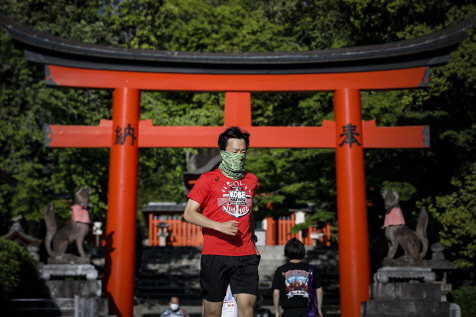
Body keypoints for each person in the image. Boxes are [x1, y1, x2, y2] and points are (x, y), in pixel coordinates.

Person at [184, 126, 260, 317]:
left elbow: (248, 211)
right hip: (215, 253)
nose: (239, 155)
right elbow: (189, 213)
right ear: (224, 152)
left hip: (245, 253)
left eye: (243, 152)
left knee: (248, 308)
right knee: (212, 313)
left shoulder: (251, 180)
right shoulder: (207, 179)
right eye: (235, 151)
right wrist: (219, 226)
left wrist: (253, 239)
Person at [272, 238, 323, 317]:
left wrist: (277, 311)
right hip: (308, 311)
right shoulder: (311, 269)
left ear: (287, 251)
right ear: (302, 251)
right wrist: (318, 309)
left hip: (289, 311)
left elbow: (276, 292)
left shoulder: (281, 270)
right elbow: (319, 290)